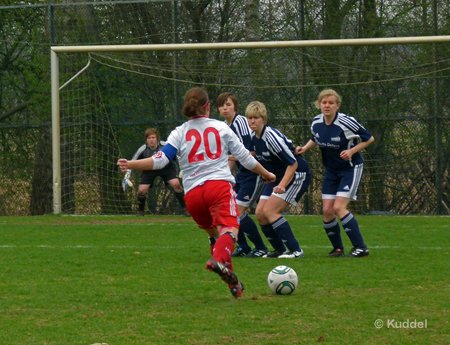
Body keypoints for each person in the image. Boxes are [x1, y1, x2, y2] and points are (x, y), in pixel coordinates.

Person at [117, 87, 276, 298]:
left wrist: (131, 164)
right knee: (230, 229)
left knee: (214, 236)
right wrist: (267, 174)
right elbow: (245, 158)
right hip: (218, 187)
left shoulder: (179, 132)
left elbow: (161, 160)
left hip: (192, 194)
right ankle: (218, 261)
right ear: (208, 106)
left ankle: (233, 284)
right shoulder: (220, 127)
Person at [295, 89, 374, 258]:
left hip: (351, 168)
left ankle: (361, 248)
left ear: (337, 105)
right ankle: (338, 249)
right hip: (331, 171)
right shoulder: (316, 122)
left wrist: (352, 151)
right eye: (324, 102)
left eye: (331, 103)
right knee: (327, 210)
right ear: (319, 104)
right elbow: (316, 138)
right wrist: (304, 148)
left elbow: (369, 138)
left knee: (339, 207)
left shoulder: (346, 122)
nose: (327, 105)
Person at [245, 101, 311, 258]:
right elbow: (259, 157)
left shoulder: (271, 137)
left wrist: (282, 185)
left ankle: (296, 250)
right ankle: (279, 249)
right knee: (260, 213)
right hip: (277, 176)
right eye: (249, 118)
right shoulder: (255, 138)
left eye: (256, 118)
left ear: (264, 120)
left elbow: (293, 163)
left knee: (270, 211)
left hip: (296, 174)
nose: (252, 121)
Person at [217, 92, 269, 258]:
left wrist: (227, 158)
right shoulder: (225, 126)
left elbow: (251, 152)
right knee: (230, 211)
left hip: (254, 174)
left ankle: (261, 248)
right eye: (221, 105)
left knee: (238, 212)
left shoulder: (240, 123)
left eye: (229, 105)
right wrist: (227, 176)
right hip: (242, 174)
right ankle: (244, 247)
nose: (225, 108)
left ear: (236, 107)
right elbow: (233, 155)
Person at [122, 128, 190, 217]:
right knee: (142, 190)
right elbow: (132, 161)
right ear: (146, 139)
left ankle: (185, 209)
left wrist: (182, 168)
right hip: (149, 170)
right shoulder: (142, 149)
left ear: (157, 138)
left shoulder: (165, 145)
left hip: (166, 168)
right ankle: (140, 212)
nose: (151, 140)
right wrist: (127, 176)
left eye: (153, 137)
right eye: (149, 138)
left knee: (176, 184)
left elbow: (177, 155)